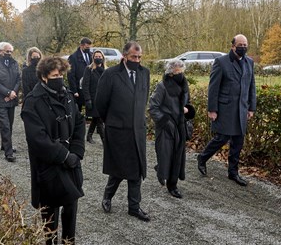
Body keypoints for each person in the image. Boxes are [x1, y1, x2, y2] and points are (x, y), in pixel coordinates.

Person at [22, 56, 86, 245]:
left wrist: (76, 152)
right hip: (49, 162)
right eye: (55, 76)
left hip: (71, 159)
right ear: (43, 77)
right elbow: (37, 138)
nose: (59, 79)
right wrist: (63, 155)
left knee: (71, 202)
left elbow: (78, 122)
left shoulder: (67, 95)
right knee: (50, 206)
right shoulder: (33, 101)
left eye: (61, 75)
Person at [95, 41, 151, 222]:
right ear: (124, 57)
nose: (137, 60)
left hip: (138, 130)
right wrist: (111, 121)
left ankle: (134, 207)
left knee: (136, 169)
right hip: (118, 130)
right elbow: (100, 103)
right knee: (119, 169)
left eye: (139, 57)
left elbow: (143, 98)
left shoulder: (144, 73)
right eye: (133, 57)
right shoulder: (110, 75)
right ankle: (107, 196)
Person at [197, 34, 256, 186]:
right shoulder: (221, 62)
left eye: (245, 44)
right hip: (225, 108)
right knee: (221, 138)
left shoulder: (249, 62)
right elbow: (213, 87)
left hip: (242, 109)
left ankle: (233, 172)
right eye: (240, 45)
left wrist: (251, 107)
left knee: (238, 141)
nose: (243, 47)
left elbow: (251, 86)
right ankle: (203, 157)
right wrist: (212, 109)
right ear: (233, 46)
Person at [149, 59, 194, 199]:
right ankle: (165, 175)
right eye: (177, 72)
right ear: (170, 74)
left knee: (178, 156)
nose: (181, 75)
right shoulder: (162, 86)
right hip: (166, 127)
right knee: (166, 154)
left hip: (180, 125)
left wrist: (188, 110)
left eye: (182, 72)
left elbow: (188, 103)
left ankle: (172, 184)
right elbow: (153, 107)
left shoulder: (184, 86)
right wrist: (165, 121)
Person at [81, 49, 106, 144]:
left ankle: (89, 135)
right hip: (92, 98)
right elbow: (85, 85)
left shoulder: (105, 70)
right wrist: (87, 99)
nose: (98, 58)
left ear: (103, 58)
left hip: (102, 99)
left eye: (100, 57)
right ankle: (105, 141)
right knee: (99, 119)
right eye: (96, 57)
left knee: (96, 118)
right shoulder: (89, 69)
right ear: (93, 58)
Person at [67, 37, 93, 112]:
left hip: (88, 86)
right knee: (78, 109)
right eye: (86, 47)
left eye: (89, 47)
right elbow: (70, 75)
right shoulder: (73, 57)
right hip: (78, 88)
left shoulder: (91, 55)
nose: (88, 49)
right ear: (81, 46)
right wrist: (74, 90)